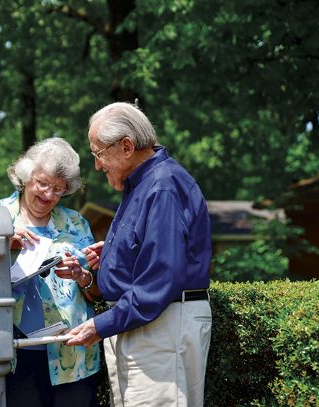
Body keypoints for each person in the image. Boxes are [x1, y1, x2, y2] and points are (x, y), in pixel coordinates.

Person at [64, 102, 213, 406]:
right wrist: (117, 252)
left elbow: (159, 279)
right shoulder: (144, 184)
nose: (97, 165)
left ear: (127, 147)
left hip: (160, 326)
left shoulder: (161, 185)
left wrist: (99, 325)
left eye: (98, 153)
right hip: (146, 325)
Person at [0, 137, 100, 407]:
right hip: (12, 353)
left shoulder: (76, 223)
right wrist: (3, 243)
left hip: (72, 354)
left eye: (59, 189)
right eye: (43, 183)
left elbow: (96, 292)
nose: (49, 195)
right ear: (25, 177)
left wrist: (82, 277)